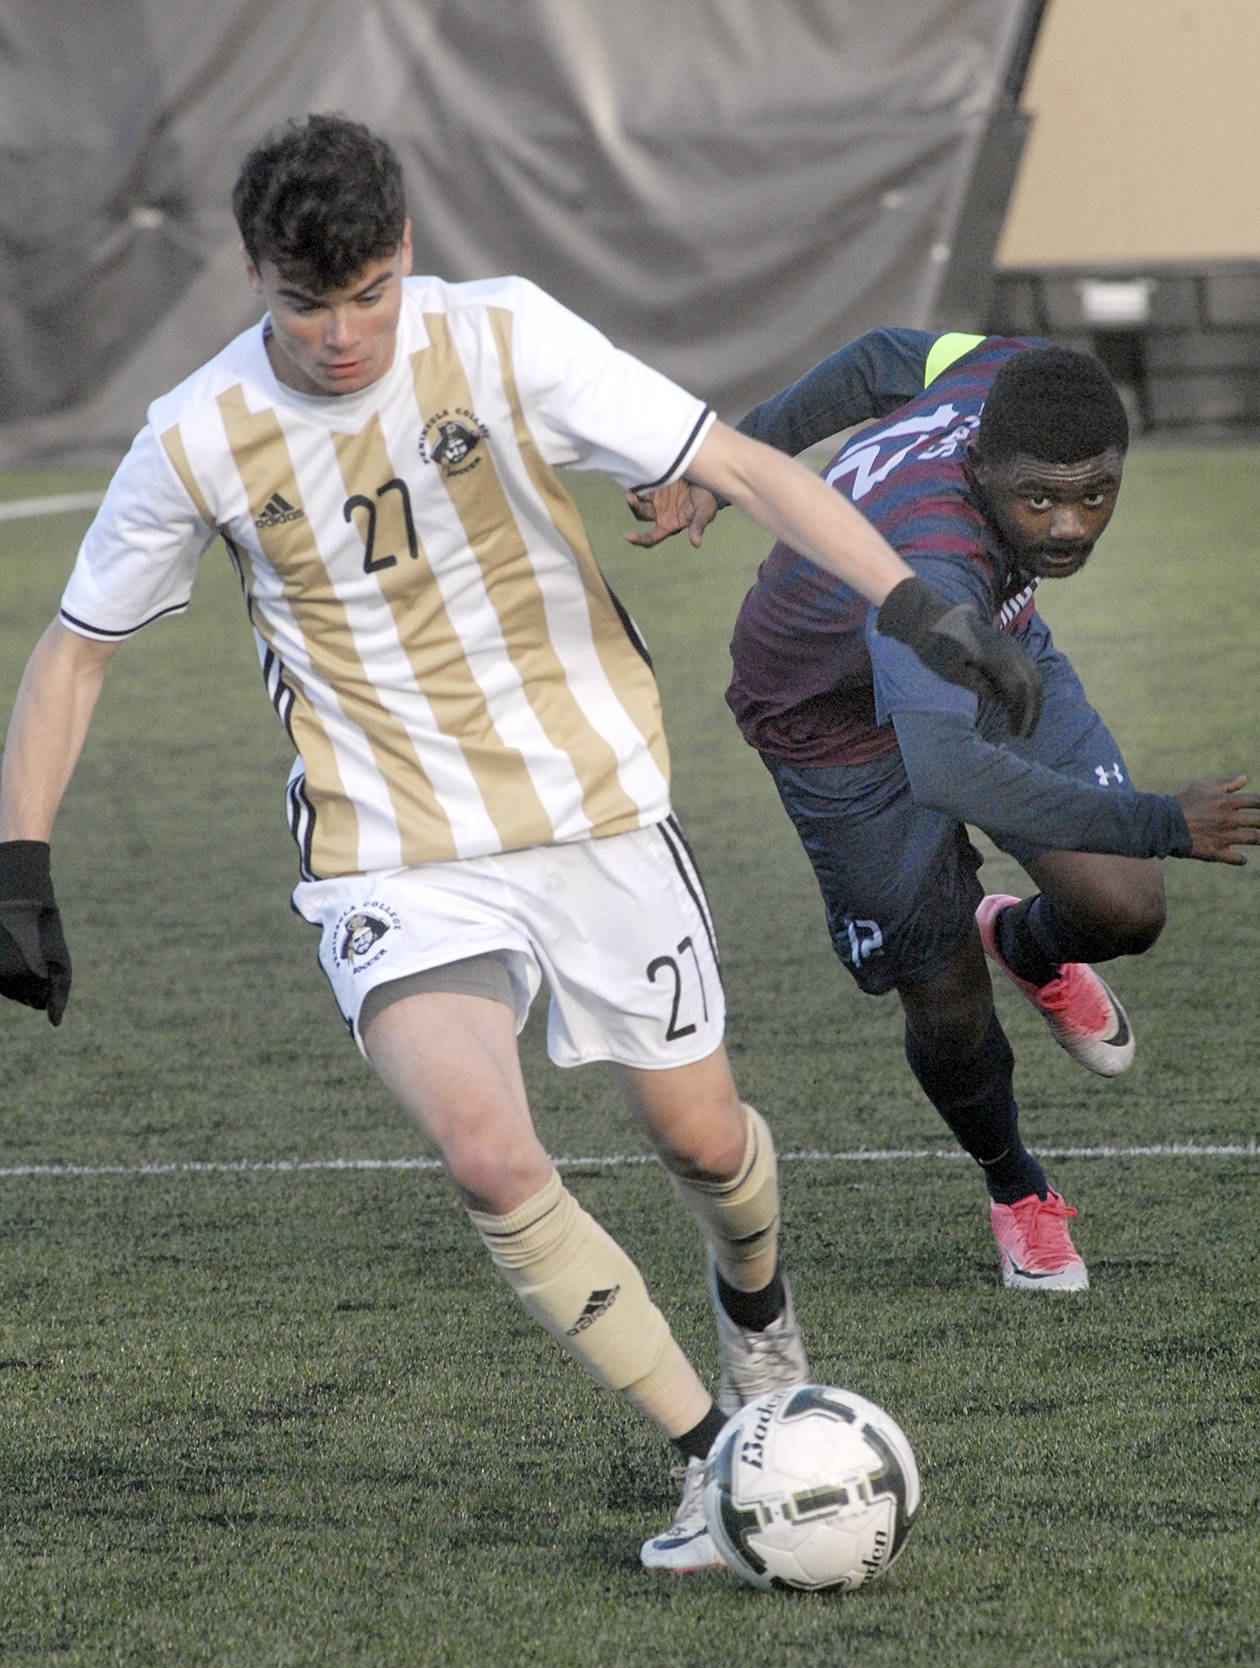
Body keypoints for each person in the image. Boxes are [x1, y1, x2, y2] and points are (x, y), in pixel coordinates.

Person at [0, 125, 1041, 1572]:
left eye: (366, 292)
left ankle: (761, 1317)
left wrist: (920, 607)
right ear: (253, 277)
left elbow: (735, 466)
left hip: (596, 811)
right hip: (392, 855)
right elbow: (73, 652)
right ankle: (711, 1463)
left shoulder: (502, 337)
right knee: (492, 1160)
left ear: (405, 252)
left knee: (707, 1143)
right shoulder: (194, 433)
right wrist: (19, 863)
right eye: (307, 303)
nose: (342, 332)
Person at [628, 327, 1259, 1292]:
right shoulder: (930, 548)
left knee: (1125, 909)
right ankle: (1017, 1186)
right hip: (835, 729)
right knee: (946, 994)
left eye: (1094, 495)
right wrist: (1165, 820)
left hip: (992, 647)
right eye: (1037, 499)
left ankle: (1031, 946)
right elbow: (948, 770)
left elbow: (879, 355)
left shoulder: (1017, 369)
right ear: (980, 464)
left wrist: (727, 461)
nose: (1068, 527)